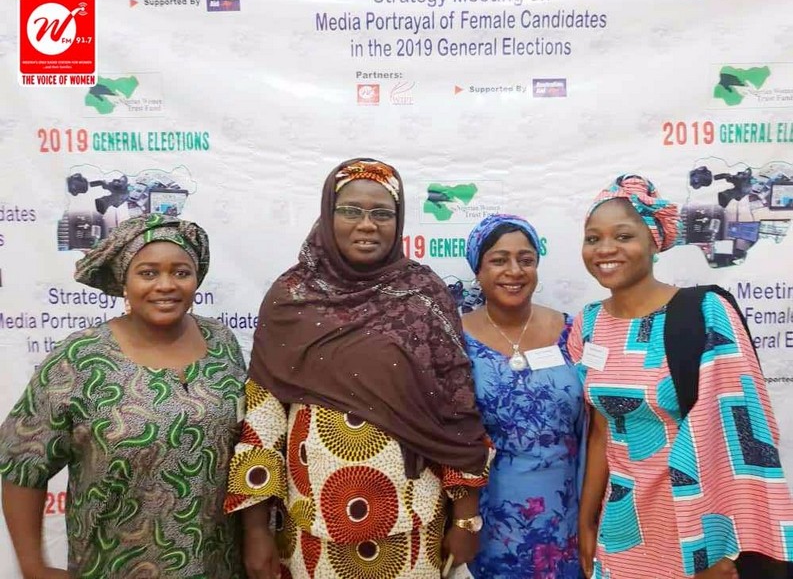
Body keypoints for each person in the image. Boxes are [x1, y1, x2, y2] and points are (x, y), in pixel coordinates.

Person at [224, 158, 493, 579]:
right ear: (328, 215)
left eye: (382, 213)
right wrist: (256, 530)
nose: (367, 225)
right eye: (351, 210)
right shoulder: (290, 297)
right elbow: (263, 418)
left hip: (411, 527)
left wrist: (465, 518)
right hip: (311, 529)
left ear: (398, 222)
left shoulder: (424, 294)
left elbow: (455, 411)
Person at [568, 175, 793, 578]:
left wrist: (725, 549)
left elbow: (742, 437)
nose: (605, 249)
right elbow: (603, 430)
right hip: (623, 525)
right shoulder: (588, 325)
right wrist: (587, 521)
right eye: (593, 238)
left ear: (655, 241)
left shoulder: (705, 313)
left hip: (694, 523)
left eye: (623, 236)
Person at [0, 213, 246, 578]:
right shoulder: (81, 358)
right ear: (124, 282)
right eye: (148, 273)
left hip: (219, 565)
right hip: (114, 565)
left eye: (181, 272)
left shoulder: (221, 342)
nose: (166, 285)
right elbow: (22, 460)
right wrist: (32, 566)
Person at [462, 214, 583, 578]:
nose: (514, 271)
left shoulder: (573, 331)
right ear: (478, 270)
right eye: (499, 260)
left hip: (567, 513)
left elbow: (596, 425)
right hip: (490, 517)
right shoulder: (455, 338)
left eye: (525, 259)